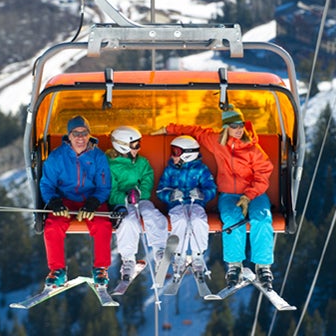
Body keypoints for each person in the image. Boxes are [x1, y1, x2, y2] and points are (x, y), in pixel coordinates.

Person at [153, 105, 276, 290]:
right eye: (234, 126)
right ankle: (234, 265)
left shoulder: (253, 149)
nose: (238, 129)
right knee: (232, 219)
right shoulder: (217, 142)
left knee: (262, 217)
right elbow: (196, 131)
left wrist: (248, 196)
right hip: (229, 194)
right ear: (226, 127)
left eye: (241, 125)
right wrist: (168, 128)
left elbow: (263, 173)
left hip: (255, 193)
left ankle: (263, 265)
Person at [39, 115, 112, 288]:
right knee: (53, 225)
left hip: (91, 199)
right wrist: (54, 202)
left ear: (89, 135)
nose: (80, 137)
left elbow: (104, 186)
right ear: (69, 136)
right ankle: (57, 270)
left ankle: (101, 268)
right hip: (66, 199)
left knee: (102, 224)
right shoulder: (57, 157)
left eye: (84, 133)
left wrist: (94, 202)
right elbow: (47, 184)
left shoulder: (98, 157)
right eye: (75, 133)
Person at [106, 126, 169, 281]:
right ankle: (128, 259)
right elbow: (110, 190)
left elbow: (148, 178)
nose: (138, 148)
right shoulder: (110, 165)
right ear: (122, 145)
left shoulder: (141, 162)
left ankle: (159, 249)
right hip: (121, 203)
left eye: (139, 144)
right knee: (128, 221)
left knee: (151, 214)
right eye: (135, 145)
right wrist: (124, 198)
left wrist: (141, 192)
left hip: (141, 199)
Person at [156, 136, 217, 279]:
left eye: (176, 152)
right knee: (181, 220)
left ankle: (198, 255)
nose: (172, 156)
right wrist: (171, 195)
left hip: (196, 204)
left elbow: (212, 189)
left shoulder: (201, 170)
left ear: (188, 154)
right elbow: (160, 191)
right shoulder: (170, 170)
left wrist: (201, 194)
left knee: (197, 220)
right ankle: (179, 256)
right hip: (177, 204)